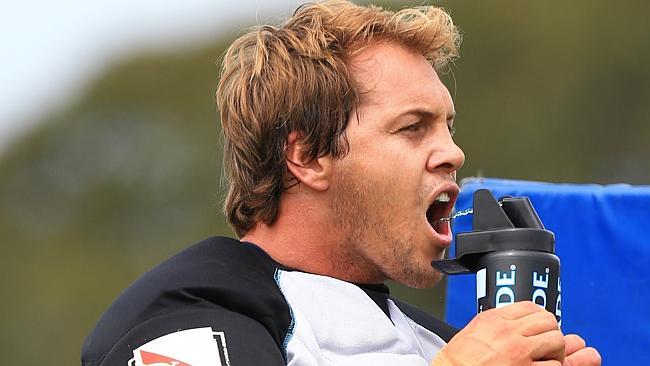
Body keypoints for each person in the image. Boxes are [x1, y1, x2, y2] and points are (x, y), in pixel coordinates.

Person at [82, 1, 601, 365]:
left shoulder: (435, 342)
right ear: (307, 157)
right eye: (413, 128)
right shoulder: (190, 311)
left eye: (448, 126)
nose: (453, 153)